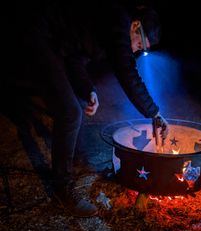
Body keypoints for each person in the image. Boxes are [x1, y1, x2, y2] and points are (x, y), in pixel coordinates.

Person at [4, 1, 168, 217]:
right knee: (69, 112)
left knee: (79, 103)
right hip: (38, 36)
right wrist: (154, 113)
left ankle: (76, 160)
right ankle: (62, 189)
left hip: (55, 46)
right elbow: (127, 71)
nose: (137, 49)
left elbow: (76, 58)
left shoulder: (107, 30)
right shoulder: (119, 21)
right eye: (140, 44)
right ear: (136, 25)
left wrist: (88, 89)